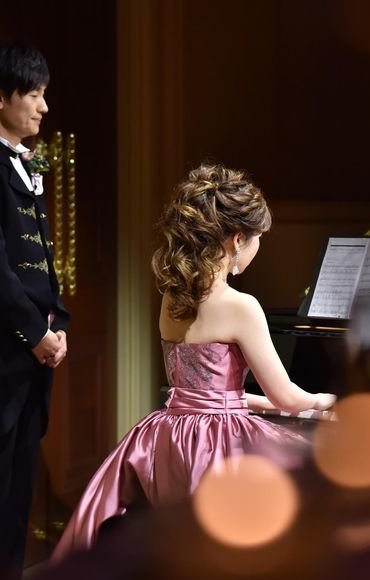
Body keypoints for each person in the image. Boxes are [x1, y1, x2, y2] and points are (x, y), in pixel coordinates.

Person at [51, 163, 336, 561]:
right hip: (216, 443)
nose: (258, 247)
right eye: (258, 239)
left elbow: (206, 394)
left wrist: (261, 404)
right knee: (320, 481)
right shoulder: (241, 306)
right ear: (238, 239)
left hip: (168, 437)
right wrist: (324, 400)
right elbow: (287, 397)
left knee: (185, 544)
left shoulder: (172, 296)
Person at [0, 41, 69, 578]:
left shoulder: (28, 162)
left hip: (33, 352)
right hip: (5, 352)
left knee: (20, 485)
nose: (44, 107)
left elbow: (44, 256)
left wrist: (58, 323)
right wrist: (33, 332)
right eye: (34, 94)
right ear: (2, 97)